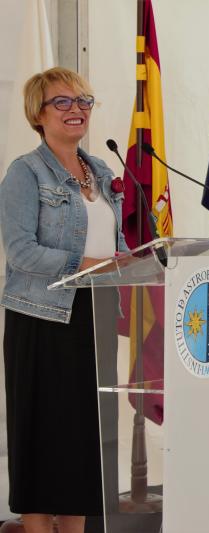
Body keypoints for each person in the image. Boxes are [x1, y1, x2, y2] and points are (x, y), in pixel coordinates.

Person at [0, 67, 128, 533]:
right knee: (41, 432)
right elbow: (21, 252)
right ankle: (35, 527)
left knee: (82, 437)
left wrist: (134, 260)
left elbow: (116, 246)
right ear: (38, 112)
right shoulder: (24, 172)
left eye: (84, 101)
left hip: (95, 317)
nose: (77, 110)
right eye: (63, 102)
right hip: (42, 319)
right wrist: (89, 263)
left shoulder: (101, 170)